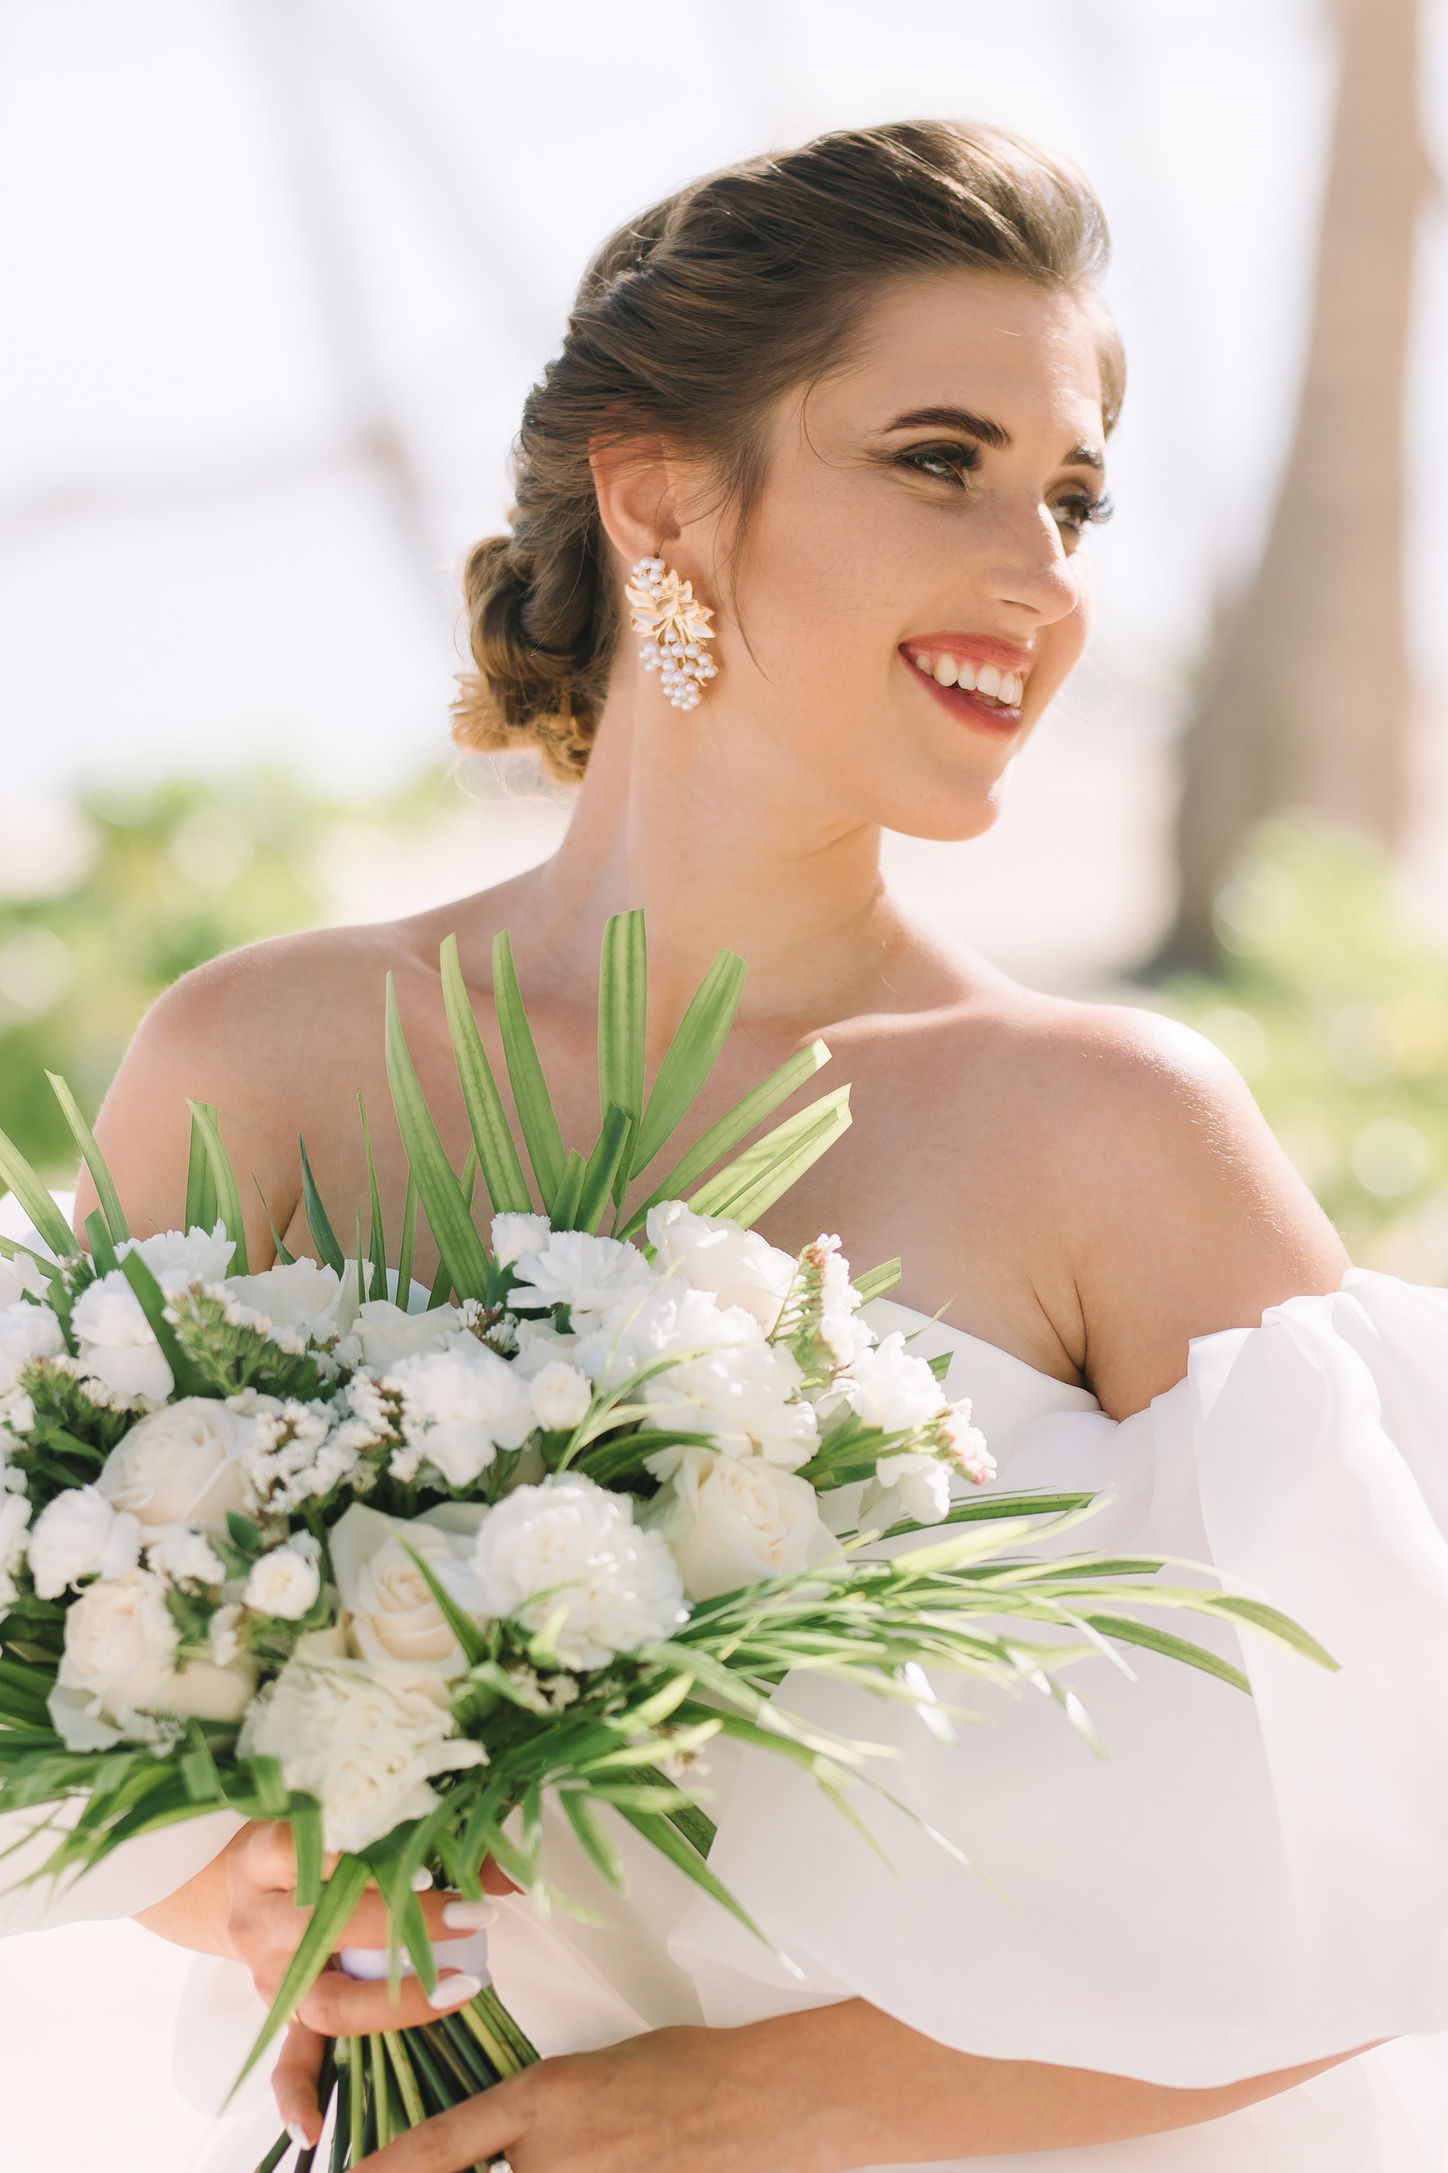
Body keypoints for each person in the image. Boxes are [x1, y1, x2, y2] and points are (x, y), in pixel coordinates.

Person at [57, 121, 1448, 2171]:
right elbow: (74, 1703)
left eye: (1070, 498)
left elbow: (1397, 1857)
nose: (1041, 578)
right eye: (938, 459)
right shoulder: (258, 1063)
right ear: (657, 496)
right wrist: (241, 1886)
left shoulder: (1109, 1132)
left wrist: (762, 2104)